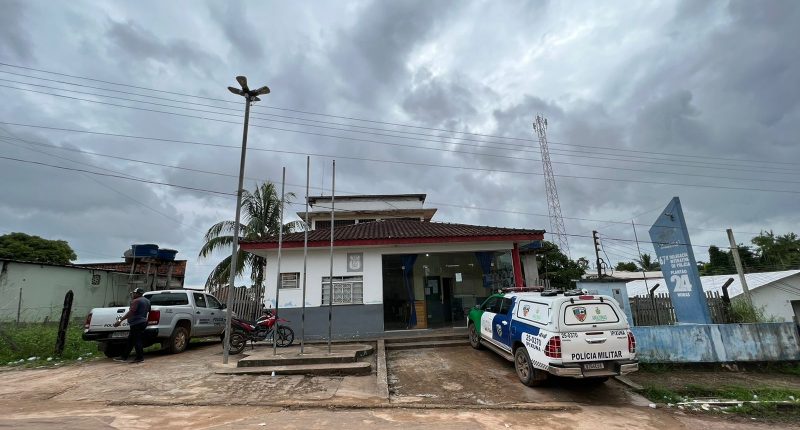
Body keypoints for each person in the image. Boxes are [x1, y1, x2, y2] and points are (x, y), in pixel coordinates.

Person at [113, 287, 151, 363]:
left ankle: (140, 358)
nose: (133, 294)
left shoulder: (136, 301)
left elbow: (131, 312)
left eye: (134, 293)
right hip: (143, 322)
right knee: (131, 340)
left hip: (136, 323)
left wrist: (120, 320)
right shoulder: (147, 301)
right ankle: (124, 357)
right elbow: (149, 310)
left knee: (137, 340)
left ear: (138, 294)